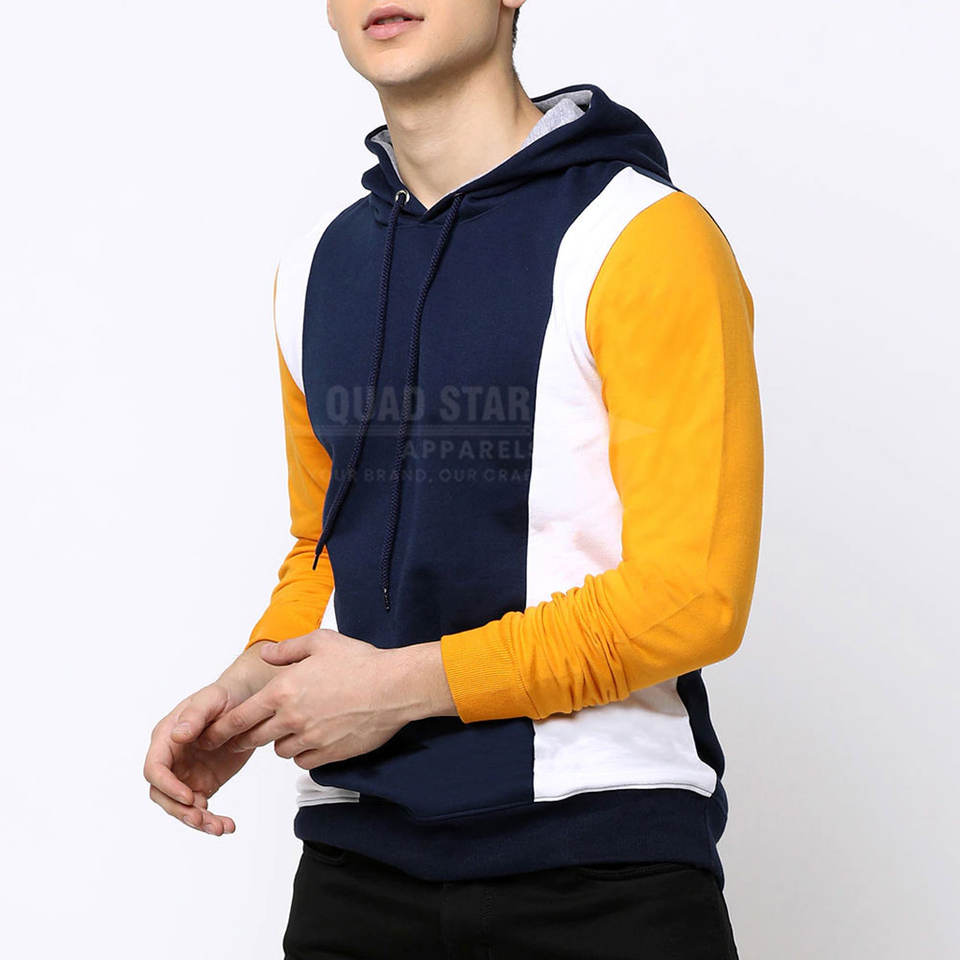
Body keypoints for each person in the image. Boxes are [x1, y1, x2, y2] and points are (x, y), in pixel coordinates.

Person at [143, 2, 762, 956]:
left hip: (599, 860)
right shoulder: (317, 268)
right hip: (357, 864)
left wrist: (400, 687)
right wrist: (250, 686)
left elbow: (692, 597)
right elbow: (324, 549)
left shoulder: (644, 237)